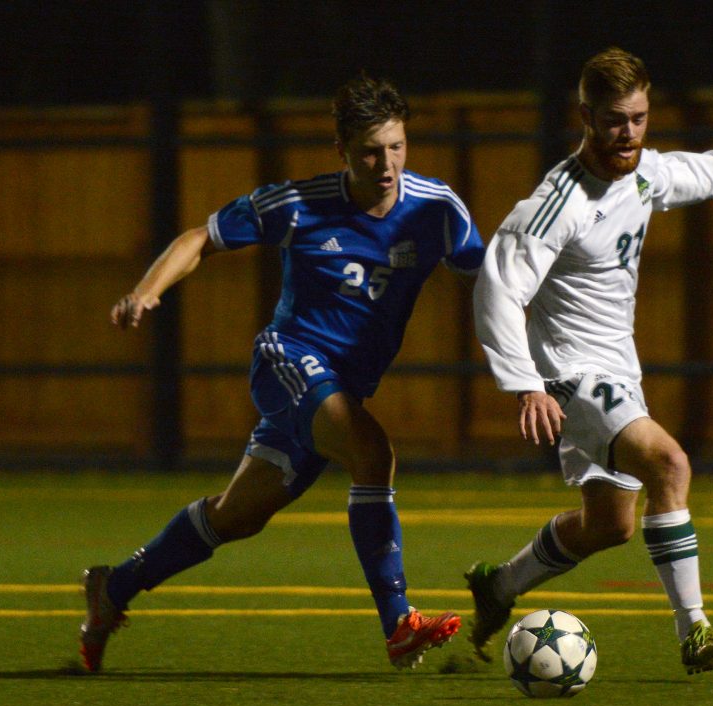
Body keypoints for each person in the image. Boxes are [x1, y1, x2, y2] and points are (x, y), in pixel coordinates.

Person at [80, 73, 485, 672]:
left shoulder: (437, 210)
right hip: (287, 360)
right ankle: (399, 624)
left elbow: (495, 279)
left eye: (396, 147)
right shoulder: (298, 204)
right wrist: (146, 291)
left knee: (236, 516)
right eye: (371, 151)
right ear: (341, 149)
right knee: (373, 452)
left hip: (339, 389)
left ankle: (113, 587)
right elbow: (199, 238)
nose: (386, 164)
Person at [465, 47, 713, 675]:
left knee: (610, 526)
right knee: (670, 464)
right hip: (569, 375)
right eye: (616, 120)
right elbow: (497, 289)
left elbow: (685, 173)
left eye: (640, 118)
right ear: (586, 116)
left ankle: (500, 586)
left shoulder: (642, 172)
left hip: (618, 372)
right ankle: (694, 630)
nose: (629, 134)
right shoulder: (556, 203)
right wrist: (524, 385)